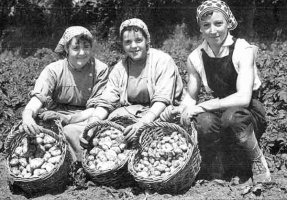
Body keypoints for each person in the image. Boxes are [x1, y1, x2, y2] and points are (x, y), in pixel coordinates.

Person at [161, 0, 271, 184]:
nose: (213, 30)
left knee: (232, 117)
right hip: (222, 107)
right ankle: (219, 163)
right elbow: (192, 95)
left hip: (249, 110)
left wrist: (203, 106)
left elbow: (243, 97)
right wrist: (182, 109)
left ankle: (256, 158)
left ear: (229, 23)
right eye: (206, 25)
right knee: (203, 121)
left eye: (218, 24)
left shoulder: (243, 50)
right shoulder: (195, 58)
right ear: (200, 29)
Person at [80, 18, 184, 147]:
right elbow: (107, 101)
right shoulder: (120, 68)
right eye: (128, 42)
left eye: (139, 40)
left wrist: (142, 124)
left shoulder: (162, 61)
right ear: (123, 45)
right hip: (131, 116)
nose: (133, 46)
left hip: (160, 115)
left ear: (147, 41)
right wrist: (92, 124)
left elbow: (162, 101)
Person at [19, 26, 109, 161]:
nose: (82, 52)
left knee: (71, 132)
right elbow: (38, 97)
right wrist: (27, 115)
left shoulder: (100, 69)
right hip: (56, 115)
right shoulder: (54, 70)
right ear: (66, 49)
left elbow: (98, 107)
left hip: (86, 117)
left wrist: (69, 119)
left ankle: (78, 166)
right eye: (76, 48)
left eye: (86, 47)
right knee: (29, 134)